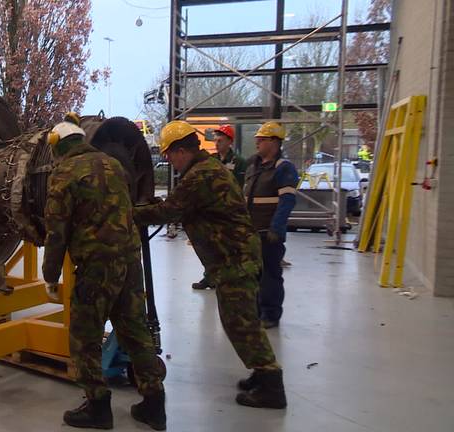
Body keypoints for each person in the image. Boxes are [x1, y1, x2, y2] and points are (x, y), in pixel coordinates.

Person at [134, 120, 286, 409]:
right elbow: (176, 204)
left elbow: (171, 210)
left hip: (235, 259)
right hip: (232, 257)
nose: (168, 159)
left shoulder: (200, 175)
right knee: (239, 321)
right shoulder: (204, 170)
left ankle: (271, 383)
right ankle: (262, 374)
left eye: (169, 153)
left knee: (240, 323)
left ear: (181, 151)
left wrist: (129, 213)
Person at [43, 114, 167, 430]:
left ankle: (97, 406)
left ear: (58, 147)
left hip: (97, 266)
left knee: (85, 335)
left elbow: (56, 231)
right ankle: (154, 403)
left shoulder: (65, 173)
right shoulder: (113, 164)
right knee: (134, 330)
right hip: (129, 260)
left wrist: (50, 274)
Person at [243, 122, 298, 329]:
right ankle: (256, 311)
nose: (257, 142)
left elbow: (286, 202)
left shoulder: (283, 168)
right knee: (252, 274)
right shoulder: (254, 166)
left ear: (274, 142)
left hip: (268, 233)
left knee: (270, 276)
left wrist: (276, 228)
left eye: (262, 139)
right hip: (250, 232)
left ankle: (271, 314)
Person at [193, 124, 247, 290]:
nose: (217, 144)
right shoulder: (212, 160)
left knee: (226, 245)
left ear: (230, 142)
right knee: (209, 245)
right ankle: (209, 276)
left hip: (229, 210)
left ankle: (224, 276)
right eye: (216, 140)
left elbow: (239, 186)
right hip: (212, 209)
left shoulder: (239, 162)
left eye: (221, 140)